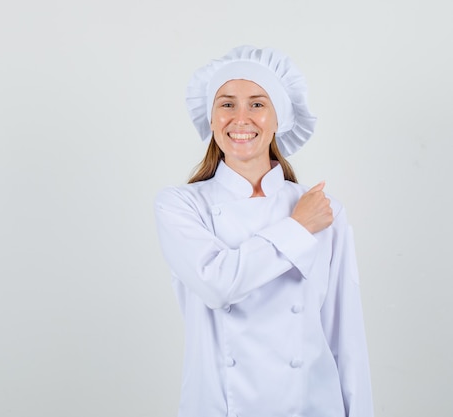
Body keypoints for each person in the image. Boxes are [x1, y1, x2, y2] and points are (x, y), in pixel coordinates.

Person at [154, 45, 373, 417]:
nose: (241, 118)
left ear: (279, 119)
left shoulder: (325, 209)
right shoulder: (181, 205)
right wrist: (298, 227)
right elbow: (216, 284)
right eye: (226, 104)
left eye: (257, 104)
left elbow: (345, 335)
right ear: (210, 118)